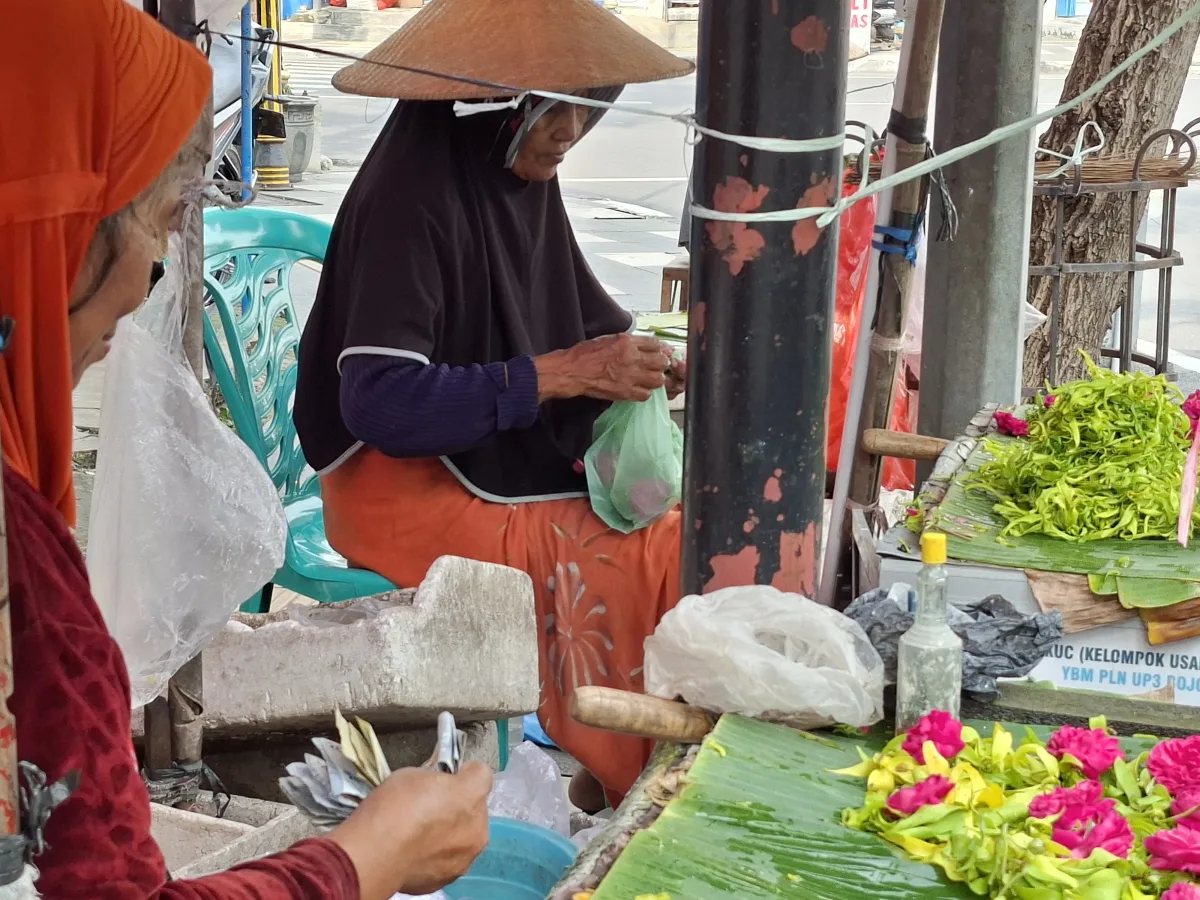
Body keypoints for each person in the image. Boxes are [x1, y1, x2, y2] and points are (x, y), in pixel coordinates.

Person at [0, 1, 491, 897]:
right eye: (160, 217)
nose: (152, 274)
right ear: (54, 229)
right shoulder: (18, 568)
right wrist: (367, 857)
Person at [293, 0, 694, 810]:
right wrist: (559, 375)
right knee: (653, 553)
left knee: (678, 524)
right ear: (488, 108)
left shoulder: (512, 176)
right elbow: (380, 405)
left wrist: (637, 367)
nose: (571, 131)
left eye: (587, 106)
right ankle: (641, 774)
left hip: (477, 462)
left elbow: (573, 322)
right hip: (396, 490)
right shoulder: (410, 202)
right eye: (552, 110)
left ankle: (621, 769)